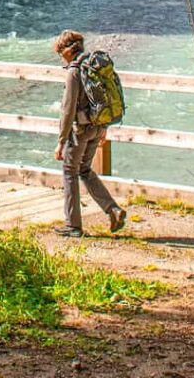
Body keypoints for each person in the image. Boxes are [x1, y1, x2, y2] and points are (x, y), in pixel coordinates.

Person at [53, 29, 126, 237]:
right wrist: (104, 128)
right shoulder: (93, 67)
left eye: (60, 52)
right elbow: (105, 101)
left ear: (67, 51)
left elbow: (68, 110)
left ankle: (73, 225)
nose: (60, 56)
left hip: (80, 131)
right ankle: (113, 210)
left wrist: (61, 141)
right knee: (84, 170)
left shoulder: (74, 72)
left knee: (69, 171)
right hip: (96, 128)